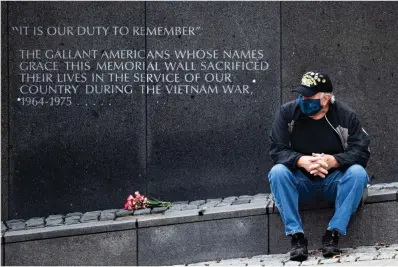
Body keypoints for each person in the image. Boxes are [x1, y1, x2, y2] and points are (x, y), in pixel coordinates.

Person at [268, 71, 371, 261]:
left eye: (309, 96)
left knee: (358, 173)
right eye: (301, 95)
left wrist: (334, 160)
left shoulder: (345, 115)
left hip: (334, 182)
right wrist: (301, 161)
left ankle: (333, 234)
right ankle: (296, 237)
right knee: (277, 172)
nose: (303, 99)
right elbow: (276, 149)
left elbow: (362, 150)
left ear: (325, 99)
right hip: (300, 183)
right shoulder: (287, 113)